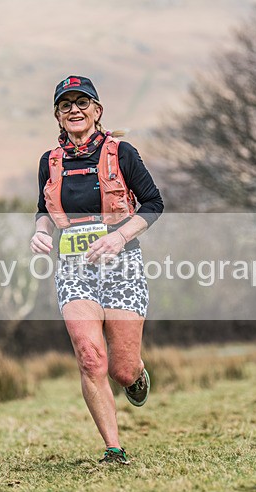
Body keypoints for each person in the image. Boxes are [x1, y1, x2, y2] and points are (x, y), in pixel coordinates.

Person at [30, 75, 164, 465]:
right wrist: (41, 232)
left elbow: (154, 204)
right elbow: (44, 210)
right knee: (90, 358)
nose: (75, 109)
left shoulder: (122, 153)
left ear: (97, 111)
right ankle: (114, 448)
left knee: (120, 370)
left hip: (122, 264)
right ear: (57, 114)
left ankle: (136, 373)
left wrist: (119, 238)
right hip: (74, 269)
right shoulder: (49, 161)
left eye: (82, 102)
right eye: (66, 104)